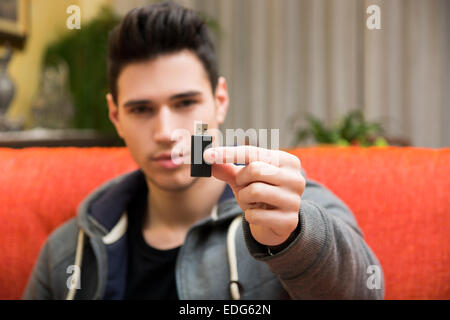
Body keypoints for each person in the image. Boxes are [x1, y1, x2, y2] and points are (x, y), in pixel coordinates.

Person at [23, 1, 384, 300]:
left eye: (185, 102)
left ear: (220, 101)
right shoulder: (68, 250)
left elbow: (366, 292)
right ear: (115, 116)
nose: (165, 133)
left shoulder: (293, 208)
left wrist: (294, 239)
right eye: (141, 109)